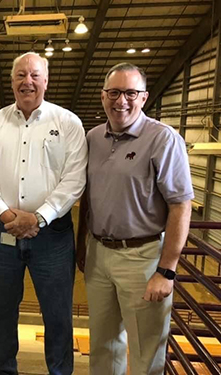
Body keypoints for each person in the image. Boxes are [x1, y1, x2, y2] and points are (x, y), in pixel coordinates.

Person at [0, 52, 88, 375]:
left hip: (53, 237)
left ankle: (60, 371)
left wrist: (39, 217)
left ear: (46, 81)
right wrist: (7, 216)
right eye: (20, 75)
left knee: (58, 314)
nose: (27, 81)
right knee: (1, 311)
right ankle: (4, 369)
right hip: (3, 232)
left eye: (35, 75)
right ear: (12, 82)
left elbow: (74, 179)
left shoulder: (67, 123)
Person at [76, 62, 193, 375]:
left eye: (130, 93)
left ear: (144, 97)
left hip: (142, 258)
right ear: (103, 96)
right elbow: (88, 198)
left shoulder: (164, 140)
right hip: (99, 254)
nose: (120, 101)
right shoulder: (93, 138)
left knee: (145, 351)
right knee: (102, 345)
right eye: (113, 92)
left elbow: (181, 205)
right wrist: (82, 246)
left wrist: (166, 271)